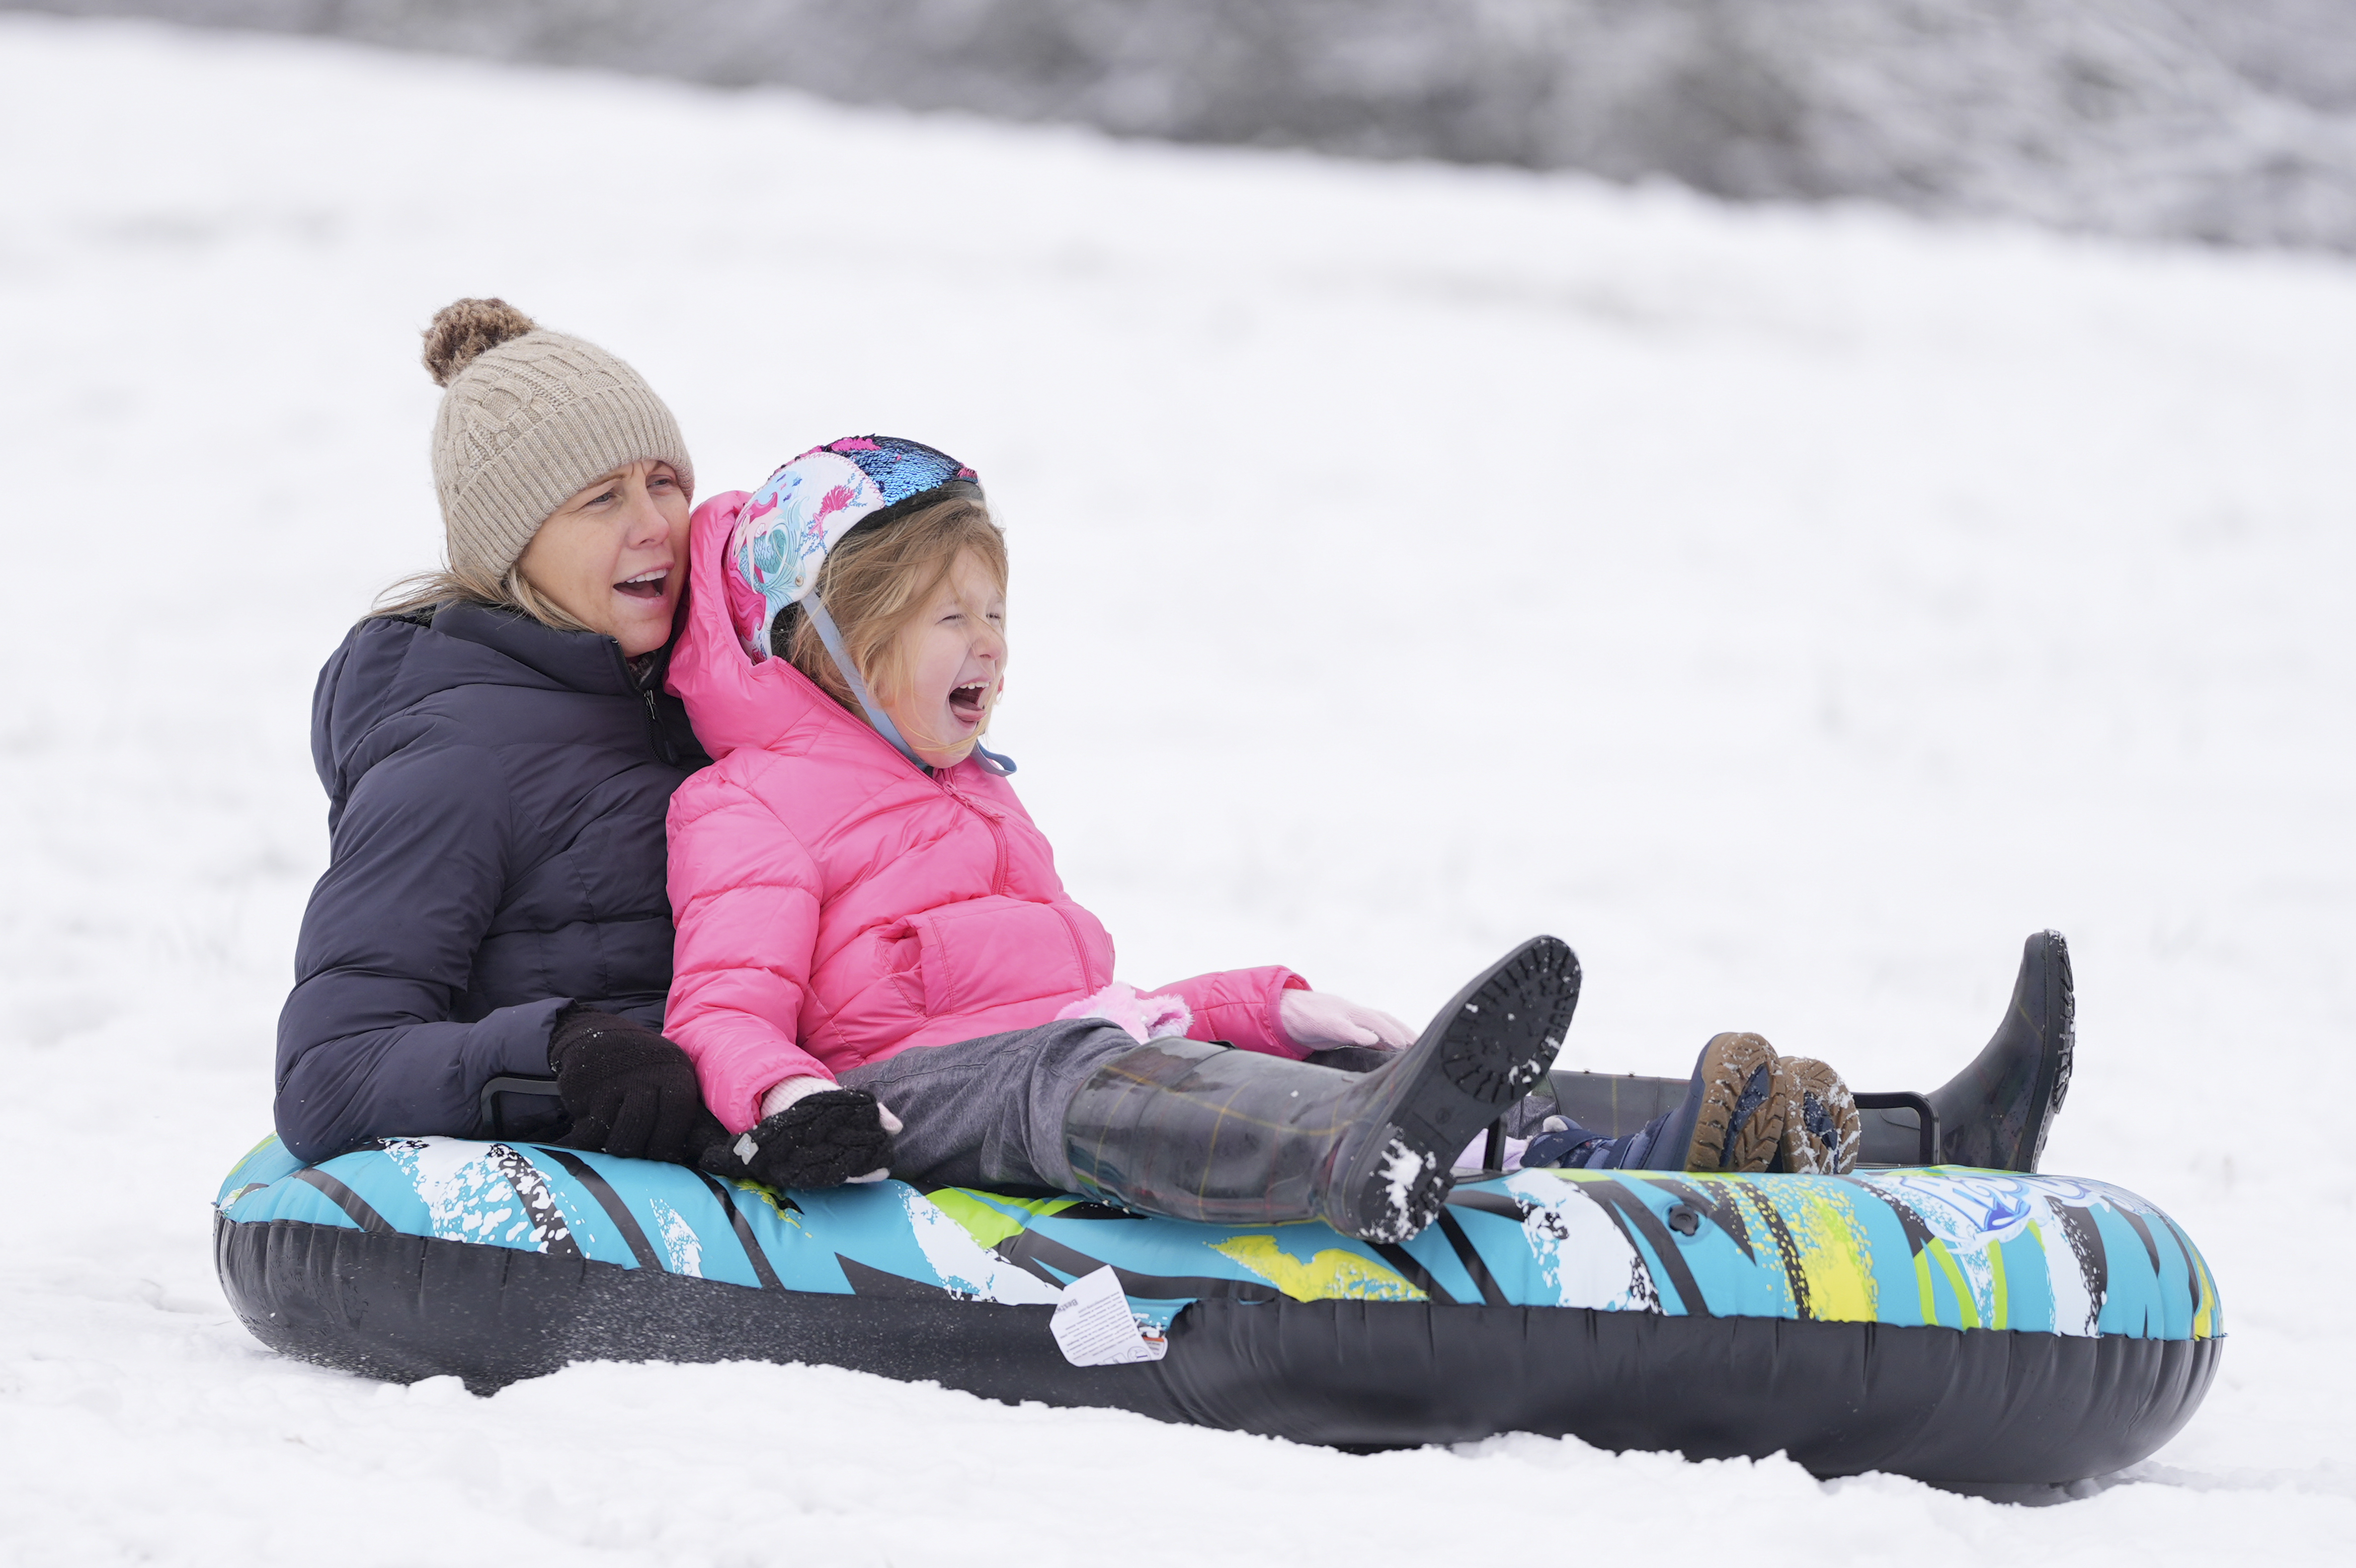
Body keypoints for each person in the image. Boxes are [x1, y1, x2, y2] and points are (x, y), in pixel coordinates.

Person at [656, 438, 1871, 1244]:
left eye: (998, 611)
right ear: (833, 638)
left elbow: (1089, 1002)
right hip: (890, 1108)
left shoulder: (976, 796)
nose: (991, 643)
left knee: (1218, 1055)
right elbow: (720, 1009)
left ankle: (1655, 1153)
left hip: (1054, 1068)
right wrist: (790, 1098)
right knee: (1064, 1068)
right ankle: (1353, 1144)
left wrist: (1250, 1006)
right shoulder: (749, 803)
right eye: (947, 615)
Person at [273, 299, 728, 1170]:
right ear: (511, 546)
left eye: (664, 481)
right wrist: (564, 1053)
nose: (654, 524)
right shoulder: (457, 756)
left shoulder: (714, 700)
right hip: (628, 1177)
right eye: (603, 497)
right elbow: (329, 1070)